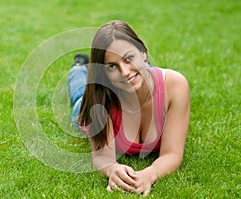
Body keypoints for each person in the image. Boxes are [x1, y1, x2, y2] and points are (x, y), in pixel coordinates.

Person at [67, 20, 190, 196]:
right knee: (79, 94)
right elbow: (103, 157)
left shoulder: (175, 85)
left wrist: (150, 173)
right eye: (112, 66)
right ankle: (79, 67)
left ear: (143, 52)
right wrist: (112, 169)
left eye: (129, 58)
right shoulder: (100, 99)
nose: (124, 71)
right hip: (88, 104)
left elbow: (172, 153)